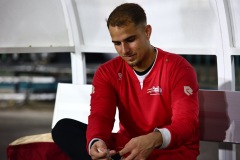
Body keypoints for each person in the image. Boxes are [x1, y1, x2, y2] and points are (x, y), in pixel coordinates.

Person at [52, 3, 200, 160]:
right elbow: (101, 116)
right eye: (117, 43)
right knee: (64, 128)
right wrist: (97, 141)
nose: (124, 50)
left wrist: (155, 138)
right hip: (126, 149)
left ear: (147, 31)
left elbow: (186, 123)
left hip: (169, 152)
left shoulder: (178, 68)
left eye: (130, 40)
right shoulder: (107, 72)